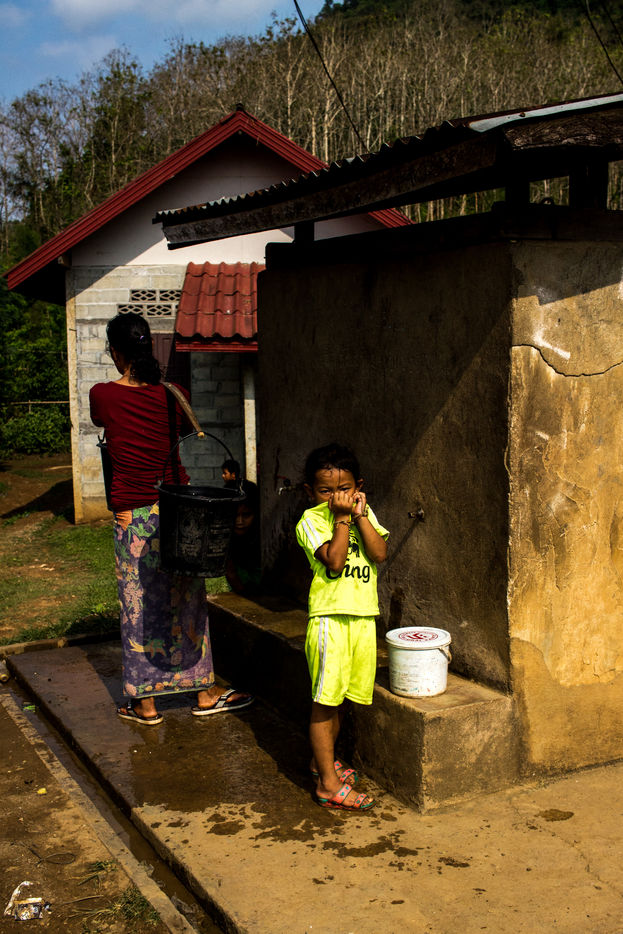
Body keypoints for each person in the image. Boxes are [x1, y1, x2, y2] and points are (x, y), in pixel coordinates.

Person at [89, 312, 253, 725]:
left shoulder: (103, 395)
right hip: (180, 512)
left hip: (133, 515)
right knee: (188, 599)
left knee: (138, 606)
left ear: (116, 352)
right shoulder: (175, 394)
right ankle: (204, 692)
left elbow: (102, 423)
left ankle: (145, 704)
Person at [296, 442, 388, 810]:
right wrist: (342, 518)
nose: (336, 497)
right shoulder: (311, 521)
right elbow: (334, 562)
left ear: (358, 487)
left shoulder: (363, 514)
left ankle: (322, 764)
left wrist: (360, 516)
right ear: (311, 491)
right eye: (326, 490)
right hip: (329, 621)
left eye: (344, 489)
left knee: (342, 701)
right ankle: (328, 785)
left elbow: (379, 553)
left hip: (362, 618)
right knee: (325, 703)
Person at [225, 484, 262, 596]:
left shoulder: (264, 537)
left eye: (246, 515)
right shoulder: (225, 539)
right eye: (234, 515)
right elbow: (231, 574)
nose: (240, 521)